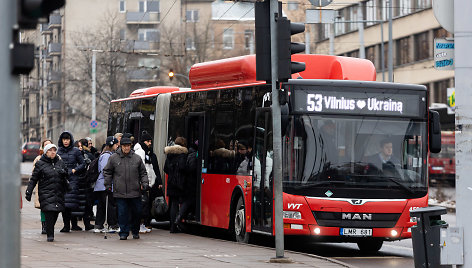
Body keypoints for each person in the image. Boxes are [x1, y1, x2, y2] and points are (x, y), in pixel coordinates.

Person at [103, 137, 149, 240]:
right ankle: (123, 232)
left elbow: (143, 173)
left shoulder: (137, 158)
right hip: (120, 191)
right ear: (121, 146)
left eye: (128, 146)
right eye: (124, 146)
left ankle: (135, 231)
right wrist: (107, 185)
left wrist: (145, 183)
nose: (126, 148)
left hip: (135, 191)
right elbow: (107, 171)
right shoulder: (114, 158)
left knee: (137, 212)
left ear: (131, 146)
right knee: (122, 213)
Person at [25, 144, 68, 242]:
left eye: (54, 150)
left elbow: (66, 173)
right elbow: (34, 179)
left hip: (58, 191)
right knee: (49, 211)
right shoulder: (40, 163)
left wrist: (64, 172)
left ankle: (49, 228)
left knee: (56, 211)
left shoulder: (60, 162)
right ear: (46, 152)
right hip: (45, 192)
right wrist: (29, 191)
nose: (53, 152)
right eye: (50, 150)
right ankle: (50, 235)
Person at [134, 132, 163, 233]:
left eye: (150, 141)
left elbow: (155, 168)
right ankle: (141, 224)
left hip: (150, 182)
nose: (150, 143)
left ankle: (145, 223)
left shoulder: (151, 154)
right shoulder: (140, 153)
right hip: (143, 183)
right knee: (143, 204)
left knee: (147, 204)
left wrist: (159, 181)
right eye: (148, 141)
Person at [57, 131, 86, 232]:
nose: (65, 141)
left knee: (72, 203)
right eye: (64, 139)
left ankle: (74, 224)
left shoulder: (76, 151)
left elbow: (83, 163)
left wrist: (75, 169)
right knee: (64, 204)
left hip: (73, 179)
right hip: (62, 179)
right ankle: (66, 225)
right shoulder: (58, 151)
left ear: (70, 140)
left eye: (67, 139)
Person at [93, 136, 119, 233]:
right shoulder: (107, 156)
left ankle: (99, 225)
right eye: (116, 144)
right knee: (109, 205)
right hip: (105, 184)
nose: (117, 146)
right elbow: (106, 170)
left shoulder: (105, 154)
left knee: (102, 206)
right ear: (112, 144)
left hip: (101, 185)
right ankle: (112, 225)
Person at [164, 137, 188, 233]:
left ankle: (172, 227)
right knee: (179, 202)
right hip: (179, 182)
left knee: (173, 204)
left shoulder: (170, 154)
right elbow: (183, 167)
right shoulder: (182, 154)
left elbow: (165, 168)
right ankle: (176, 224)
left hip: (171, 182)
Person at [32, 139, 53, 234]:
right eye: (46, 145)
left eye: (50, 145)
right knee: (43, 207)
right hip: (43, 187)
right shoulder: (38, 159)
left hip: (53, 187)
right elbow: (34, 174)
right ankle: (44, 226)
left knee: (52, 208)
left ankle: (50, 225)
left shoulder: (57, 158)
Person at [78, 138, 96, 231]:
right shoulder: (84, 155)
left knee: (87, 204)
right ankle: (86, 223)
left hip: (85, 182)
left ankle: (86, 222)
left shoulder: (89, 154)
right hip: (83, 182)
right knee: (85, 204)